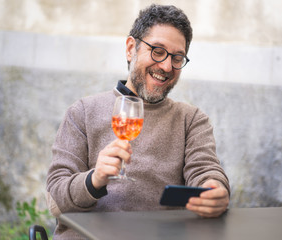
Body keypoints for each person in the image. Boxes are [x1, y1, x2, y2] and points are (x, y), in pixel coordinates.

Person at [46, 4, 230, 239]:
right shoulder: (82, 112)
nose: (166, 66)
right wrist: (94, 179)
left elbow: (205, 171)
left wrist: (215, 190)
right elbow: (55, 201)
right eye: (158, 51)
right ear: (131, 48)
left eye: (177, 57)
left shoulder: (191, 119)